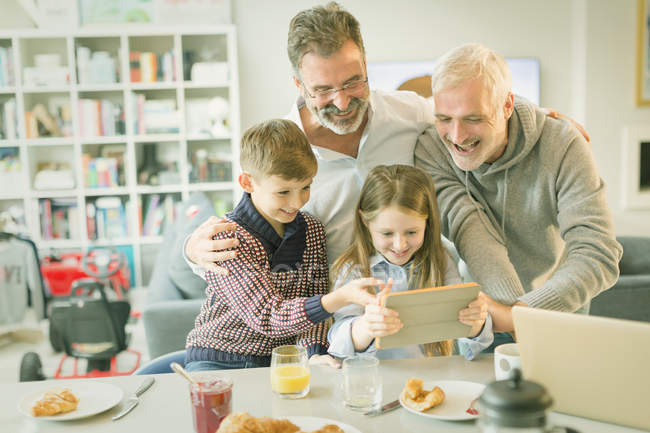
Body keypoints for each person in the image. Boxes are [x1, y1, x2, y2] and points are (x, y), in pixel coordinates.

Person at [414, 43, 623, 340]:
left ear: (507, 106)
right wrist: (512, 317)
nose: (457, 137)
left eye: (473, 118)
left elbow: (597, 252)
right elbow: (471, 231)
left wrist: (522, 313)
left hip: (558, 311)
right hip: (485, 315)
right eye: (444, 118)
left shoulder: (563, 145)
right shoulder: (432, 148)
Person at [184, 119, 385, 372]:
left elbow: (311, 302)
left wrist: (314, 353)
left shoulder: (311, 230)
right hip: (219, 358)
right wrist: (338, 299)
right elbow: (267, 316)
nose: (297, 201)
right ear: (247, 183)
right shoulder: (227, 239)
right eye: (283, 192)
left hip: (283, 361)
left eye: (306, 187)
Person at [327, 164, 492, 361]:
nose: (400, 245)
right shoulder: (352, 268)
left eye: (412, 232)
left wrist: (475, 322)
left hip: (433, 377)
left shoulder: (441, 259)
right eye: (387, 233)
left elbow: (471, 342)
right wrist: (367, 326)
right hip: (377, 380)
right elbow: (338, 342)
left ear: (427, 221)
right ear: (365, 221)